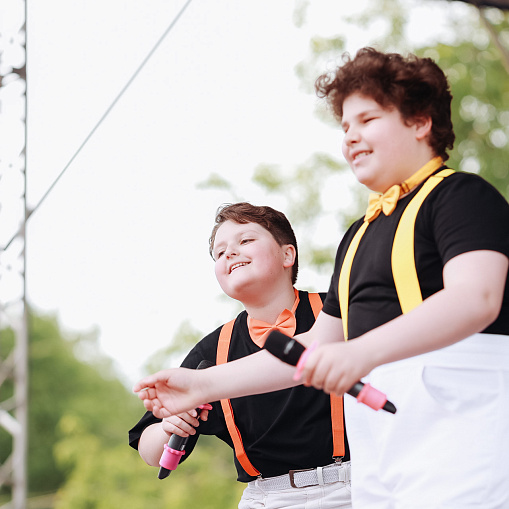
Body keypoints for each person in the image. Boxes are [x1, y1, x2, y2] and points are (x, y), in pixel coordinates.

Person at [134, 48, 509, 508]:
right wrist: (202, 384)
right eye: (345, 127)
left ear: (419, 122)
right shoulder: (358, 235)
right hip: (383, 452)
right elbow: (315, 348)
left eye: (367, 120)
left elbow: (477, 298)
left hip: (464, 433)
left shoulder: (461, 196)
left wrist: (361, 353)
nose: (351, 137)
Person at [129, 202, 352, 509]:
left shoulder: (339, 313)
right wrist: (168, 426)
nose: (229, 253)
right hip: (266, 498)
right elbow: (148, 448)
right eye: (219, 253)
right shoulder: (213, 350)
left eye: (245, 240)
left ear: (288, 254)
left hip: (351, 487)